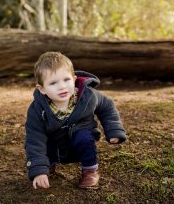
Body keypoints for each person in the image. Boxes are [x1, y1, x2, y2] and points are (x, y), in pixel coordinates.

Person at [25, 52, 127, 189]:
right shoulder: (37, 109)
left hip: (80, 142)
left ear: (74, 79)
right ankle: (47, 165)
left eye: (66, 80)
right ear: (42, 89)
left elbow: (107, 106)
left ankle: (90, 171)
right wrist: (38, 169)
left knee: (84, 136)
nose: (62, 86)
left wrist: (114, 129)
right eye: (53, 83)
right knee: (44, 145)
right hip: (55, 147)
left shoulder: (88, 96)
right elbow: (34, 139)